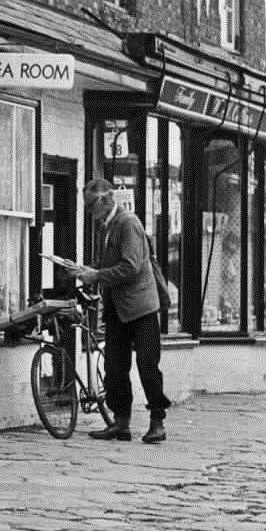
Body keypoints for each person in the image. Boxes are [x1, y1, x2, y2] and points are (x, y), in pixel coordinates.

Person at [67, 178, 172, 444]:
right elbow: (112, 264)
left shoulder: (128, 223)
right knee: (115, 368)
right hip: (116, 308)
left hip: (141, 308)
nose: (89, 212)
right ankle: (121, 423)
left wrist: (96, 275)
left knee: (147, 366)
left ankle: (157, 423)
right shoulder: (107, 226)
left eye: (91, 205)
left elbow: (132, 266)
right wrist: (85, 271)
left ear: (103, 200)